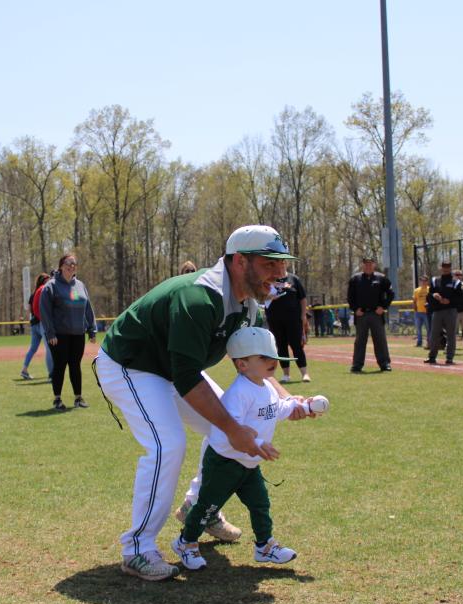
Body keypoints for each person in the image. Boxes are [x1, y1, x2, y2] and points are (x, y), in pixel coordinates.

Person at [94, 224, 306, 581]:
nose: (280, 273)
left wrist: (288, 398)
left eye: (282, 264)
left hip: (173, 368)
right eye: (270, 264)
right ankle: (137, 548)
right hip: (130, 363)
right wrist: (233, 428)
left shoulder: (247, 304)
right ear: (240, 261)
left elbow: (256, 365)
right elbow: (188, 377)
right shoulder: (199, 297)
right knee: (169, 443)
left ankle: (198, 506)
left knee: (227, 425)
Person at [171, 327, 317, 571]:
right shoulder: (238, 393)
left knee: (260, 504)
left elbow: (276, 410)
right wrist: (259, 444)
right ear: (242, 365)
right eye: (264, 358)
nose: (272, 362)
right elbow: (232, 430)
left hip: (249, 465)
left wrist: (300, 407)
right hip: (224, 463)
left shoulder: (266, 387)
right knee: (207, 507)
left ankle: (264, 547)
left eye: (273, 357)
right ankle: (185, 542)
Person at [40, 254, 96, 410]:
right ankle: (57, 399)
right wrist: (50, 333)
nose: (71, 266)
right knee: (60, 365)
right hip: (59, 335)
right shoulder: (51, 286)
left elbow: (87, 308)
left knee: (75, 365)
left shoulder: (79, 285)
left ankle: (78, 398)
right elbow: (45, 312)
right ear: (61, 266)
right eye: (68, 263)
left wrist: (91, 329)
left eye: (74, 264)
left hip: (78, 333)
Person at [347, 257, 394, 373]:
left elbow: (391, 294)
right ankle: (357, 365)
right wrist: (355, 309)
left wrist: (383, 307)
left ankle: (385, 364)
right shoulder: (355, 279)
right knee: (360, 341)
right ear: (362, 265)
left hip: (376, 314)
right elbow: (350, 297)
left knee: (380, 340)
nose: (368, 266)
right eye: (366, 264)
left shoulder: (381, 278)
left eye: (370, 264)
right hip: (361, 314)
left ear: (374, 265)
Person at [266, 272, 310, 383]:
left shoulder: (294, 279)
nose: (280, 266)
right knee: (281, 346)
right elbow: (259, 296)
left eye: (283, 262)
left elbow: (303, 299)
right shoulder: (267, 278)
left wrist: (303, 315)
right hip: (275, 319)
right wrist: (270, 297)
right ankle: (286, 374)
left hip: (293, 319)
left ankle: (304, 373)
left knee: (297, 345)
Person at [424, 261, 459, 365]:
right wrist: (434, 295)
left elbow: (459, 298)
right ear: (441, 268)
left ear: (451, 268)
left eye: (448, 267)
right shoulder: (435, 280)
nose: (446, 269)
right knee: (434, 335)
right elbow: (429, 295)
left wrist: (450, 301)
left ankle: (449, 358)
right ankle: (432, 357)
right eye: (444, 267)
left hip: (450, 311)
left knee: (451, 335)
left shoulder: (455, 282)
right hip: (437, 311)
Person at [21, 273, 53, 380]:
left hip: (34, 323)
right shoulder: (44, 291)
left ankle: (24, 369)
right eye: (47, 280)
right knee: (49, 348)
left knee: (33, 348)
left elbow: (31, 309)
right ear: (44, 281)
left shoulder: (33, 294)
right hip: (41, 323)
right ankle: (51, 374)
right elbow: (38, 308)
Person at [412, 275, 431, 348]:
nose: (423, 282)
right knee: (418, 329)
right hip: (418, 312)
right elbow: (414, 301)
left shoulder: (429, 289)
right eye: (422, 280)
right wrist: (415, 309)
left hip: (427, 312)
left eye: (425, 280)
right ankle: (419, 342)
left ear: (427, 281)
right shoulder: (416, 290)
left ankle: (429, 342)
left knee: (428, 328)